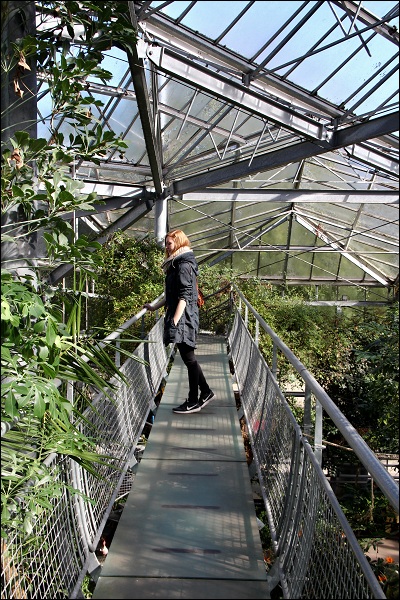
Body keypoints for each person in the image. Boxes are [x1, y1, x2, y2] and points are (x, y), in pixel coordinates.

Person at [143, 229, 215, 414]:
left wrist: (175, 320)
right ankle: (205, 392)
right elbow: (172, 295)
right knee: (189, 358)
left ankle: (194, 400)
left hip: (184, 318)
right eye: (166, 243)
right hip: (182, 315)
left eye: (169, 243)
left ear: (179, 243)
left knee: (189, 358)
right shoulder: (176, 263)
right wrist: (154, 307)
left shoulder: (183, 265)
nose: (166, 247)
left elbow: (184, 296)